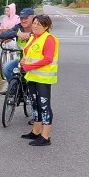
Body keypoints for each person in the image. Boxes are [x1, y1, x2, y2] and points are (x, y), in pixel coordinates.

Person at [20, 14, 58, 146]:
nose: (35, 26)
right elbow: (30, 55)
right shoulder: (33, 38)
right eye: (34, 23)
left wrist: (28, 66)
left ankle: (45, 136)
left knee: (44, 106)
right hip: (32, 76)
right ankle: (36, 131)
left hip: (43, 78)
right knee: (35, 104)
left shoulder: (49, 39)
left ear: (46, 27)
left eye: (39, 24)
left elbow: (48, 59)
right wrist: (23, 60)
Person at [0, 7, 35, 82]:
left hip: (34, 60)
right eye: (21, 18)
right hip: (20, 59)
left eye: (26, 18)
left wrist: (30, 35)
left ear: (33, 18)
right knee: (6, 68)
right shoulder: (18, 27)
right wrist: (17, 33)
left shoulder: (37, 27)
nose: (23, 21)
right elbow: (2, 35)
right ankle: (13, 89)